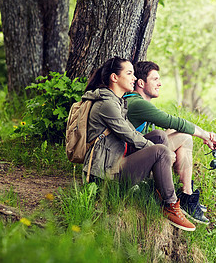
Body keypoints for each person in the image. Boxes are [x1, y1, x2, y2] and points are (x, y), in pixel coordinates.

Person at [82, 56, 195, 231]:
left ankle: (159, 190)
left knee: (158, 136)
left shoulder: (117, 102)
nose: (134, 78)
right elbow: (131, 136)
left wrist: (160, 147)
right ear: (114, 77)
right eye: (129, 73)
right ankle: (171, 205)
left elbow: (134, 133)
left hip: (116, 160)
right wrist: (164, 152)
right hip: (106, 175)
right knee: (160, 151)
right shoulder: (107, 105)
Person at [124, 61, 216, 224]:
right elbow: (173, 121)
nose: (160, 83)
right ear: (141, 83)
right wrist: (205, 135)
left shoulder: (134, 101)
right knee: (184, 136)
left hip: (134, 153)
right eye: (155, 79)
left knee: (181, 135)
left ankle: (186, 194)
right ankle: (186, 197)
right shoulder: (137, 103)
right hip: (127, 162)